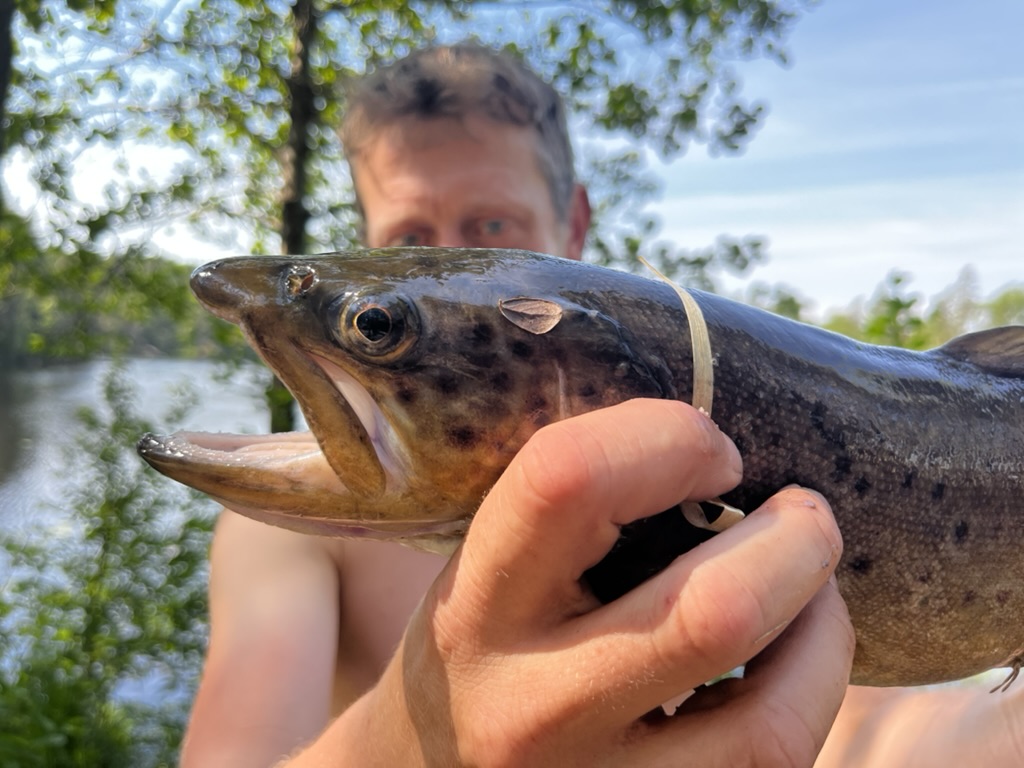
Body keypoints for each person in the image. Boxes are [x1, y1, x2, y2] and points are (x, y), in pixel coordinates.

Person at [180, 43, 1024, 767]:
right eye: (404, 245)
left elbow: (856, 731)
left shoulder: (700, 431)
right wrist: (418, 734)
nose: (446, 255)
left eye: (489, 229)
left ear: (572, 227)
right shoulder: (282, 538)